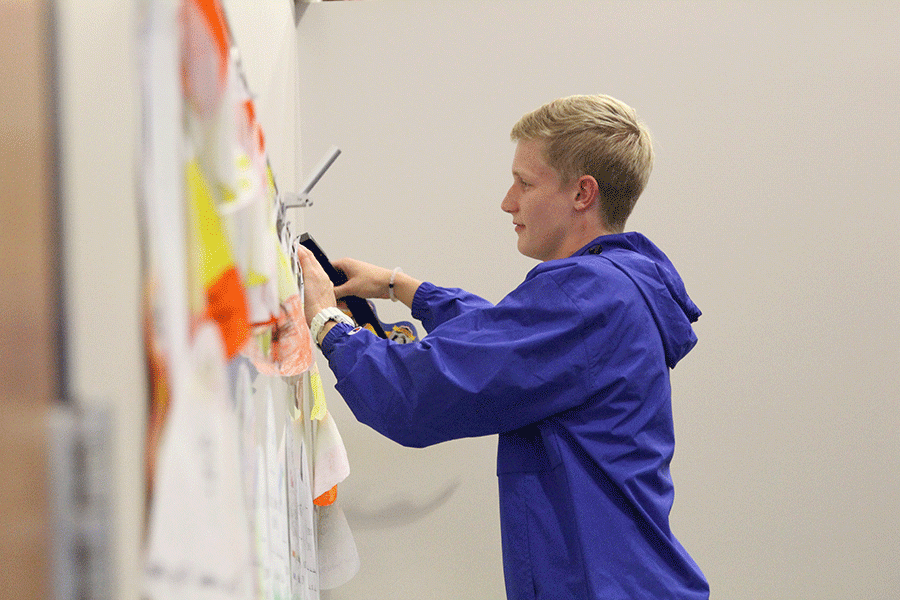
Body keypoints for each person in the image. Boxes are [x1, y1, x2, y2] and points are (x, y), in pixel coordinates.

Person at [296, 94, 709, 599]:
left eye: (525, 183)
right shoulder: (614, 288)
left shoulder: (588, 296)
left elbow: (416, 395)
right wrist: (399, 286)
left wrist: (327, 324)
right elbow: (508, 343)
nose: (508, 202)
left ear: (583, 193)